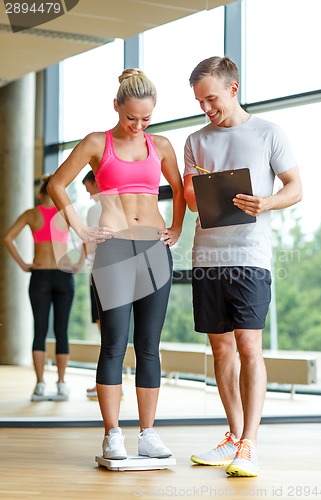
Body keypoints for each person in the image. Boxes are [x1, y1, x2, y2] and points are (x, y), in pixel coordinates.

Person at [47, 68, 186, 460]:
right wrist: (80, 229)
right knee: (113, 345)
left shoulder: (160, 145)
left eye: (146, 119)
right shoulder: (97, 142)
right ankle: (112, 433)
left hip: (154, 250)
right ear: (116, 106)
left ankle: (148, 433)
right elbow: (58, 184)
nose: (138, 125)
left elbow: (178, 189)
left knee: (149, 346)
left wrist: (176, 226)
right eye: (131, 118)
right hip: (114, 251)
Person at [183, 56, 302, 477]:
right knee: (220, 347)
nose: (206, 109)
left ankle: (250, 444)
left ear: (233, 89)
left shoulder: (269, 132)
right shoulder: (196, 140)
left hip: (250, 255)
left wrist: (264, 202)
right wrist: (202, 185)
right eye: (199, 102)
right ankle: (233, 436)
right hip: (207, 255)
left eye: (211, 99)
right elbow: (192, 200)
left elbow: (295, 187)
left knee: (249, 344)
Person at [3, 174, 78, 401]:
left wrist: (24, 264)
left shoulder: (31, 214)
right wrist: (78, 263)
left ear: (39, 194)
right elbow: (86, 239)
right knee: (61, 330)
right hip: (64, 276)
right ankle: (62, 383)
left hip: (40, 276)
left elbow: (7, 238)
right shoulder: (66, 213)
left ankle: (40, 384)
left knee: (40, 330)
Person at [82, 169, 102, 400]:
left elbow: (90, 246)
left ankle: (106, 385)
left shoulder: (94, 210)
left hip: (99, 274)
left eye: (89, 189)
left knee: (105, 335)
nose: (89, 195)